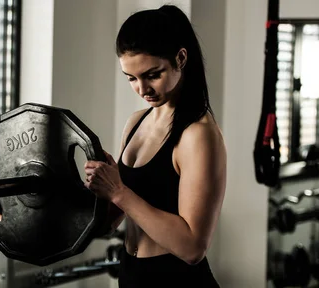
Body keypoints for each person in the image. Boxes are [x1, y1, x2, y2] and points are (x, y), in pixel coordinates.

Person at [83, 5, 226, 287]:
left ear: (180, 58)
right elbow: (112, 220)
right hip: (132, 273)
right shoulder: (136, 122)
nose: (142, 89)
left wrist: (119, 191)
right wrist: (102, 187)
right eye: (131, 78)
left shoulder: (198, 135)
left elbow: (193, 248)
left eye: (152, 75)